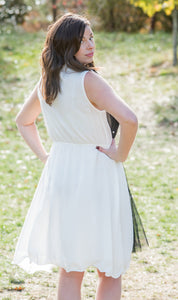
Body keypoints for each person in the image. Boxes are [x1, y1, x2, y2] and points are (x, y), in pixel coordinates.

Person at [13, 13, 147, 300]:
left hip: (62, 173)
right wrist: (119, 154)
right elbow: (130, 120)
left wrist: (46, 157)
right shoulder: (89, 80)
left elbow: (23, 121)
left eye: (91, 38)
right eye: (81, 40)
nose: (90, 45)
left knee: (70, 267)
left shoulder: (48, 81)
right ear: (65, 44)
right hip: (98, 171)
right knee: (109, 269)